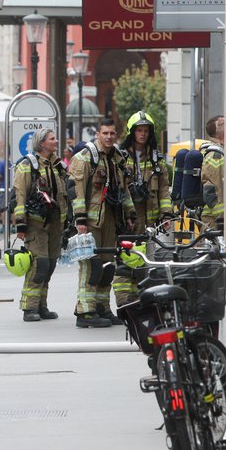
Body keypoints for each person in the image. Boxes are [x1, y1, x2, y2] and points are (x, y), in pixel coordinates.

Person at [69, 118, 135, 328]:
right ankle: (85, 311)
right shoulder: (85, 158)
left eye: (112, 133)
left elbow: (123, 189)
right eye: (105, 133)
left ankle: (102, 308)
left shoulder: (117, 158)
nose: (108, 137)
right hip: (91, 221)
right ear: (97, 134)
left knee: (108, 266)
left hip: (110, 219)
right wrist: (80, 219)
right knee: (91, 266)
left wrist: (130, 213)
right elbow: (76, 191)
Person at [112, 111, 173, 307]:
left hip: (149, 220)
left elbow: (163, 188)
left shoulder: (156, 159)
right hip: (127, 218)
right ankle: (123, 302)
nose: (143, 134)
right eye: (139, 130)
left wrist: (166, 215)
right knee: (124, 260)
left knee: (145, 260)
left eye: (146, 130)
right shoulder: (120, 157)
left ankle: (139, 300)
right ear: (132, 132)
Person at [12, 128, 67, 322]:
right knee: (39, 264)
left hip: (54, 223)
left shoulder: (57, 166)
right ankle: (30, 307)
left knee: (50, 264)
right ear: (42, 143)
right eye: (52, 139)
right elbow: (20, 195)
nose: (56, 141)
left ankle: (42, 306)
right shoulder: (28, 165)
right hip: (36, 225)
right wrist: (20, 225)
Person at [200, 115, 225, 231]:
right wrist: (223, 215)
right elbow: (212, 191)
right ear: (217, 133)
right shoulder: (215, 156)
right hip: (215, 222)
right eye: (223, 123)